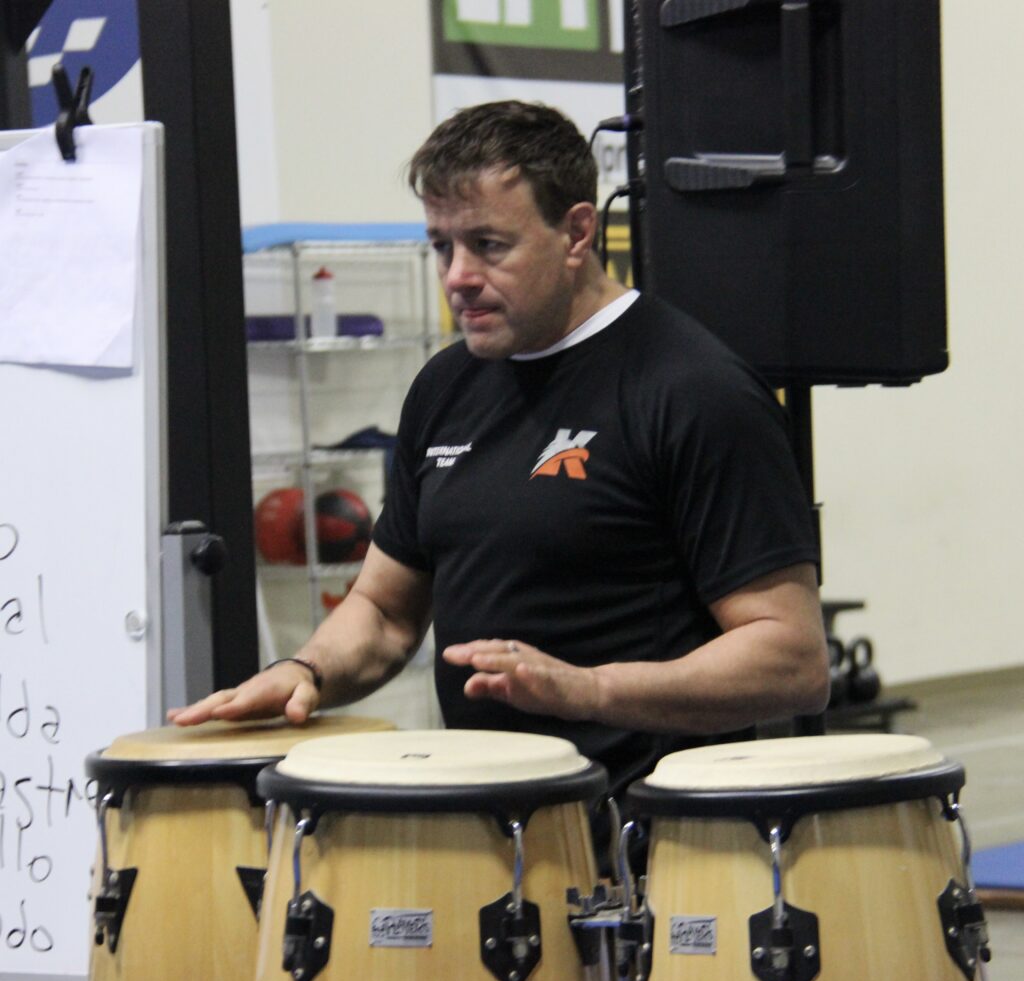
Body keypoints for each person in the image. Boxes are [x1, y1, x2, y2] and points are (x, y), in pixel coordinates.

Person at [170, 100, 828, 809]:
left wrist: (588, 690)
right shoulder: (446, 386)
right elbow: (388, 613)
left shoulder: (693, 389)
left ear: (577, 232)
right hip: (486, 835)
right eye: (441, 246)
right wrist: (308, 670)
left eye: (489, 245)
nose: (457, 275)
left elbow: (790, 659)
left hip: (649, 852)